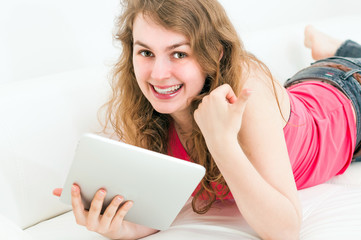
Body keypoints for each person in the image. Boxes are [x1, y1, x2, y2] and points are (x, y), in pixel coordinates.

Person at [52, 0, 361, 239]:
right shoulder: (146, 105)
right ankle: (333, 50)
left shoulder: (247, 91)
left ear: (215, 53)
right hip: (306, 90)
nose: (158, 75)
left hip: (349, 96)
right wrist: (120, 229)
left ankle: (340, 49)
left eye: (179, 54)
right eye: (145, 53)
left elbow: (285, 230)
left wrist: (221, 140)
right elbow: (160, 206)